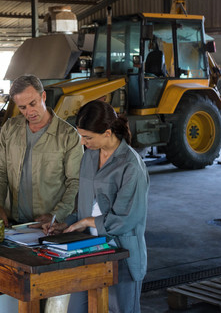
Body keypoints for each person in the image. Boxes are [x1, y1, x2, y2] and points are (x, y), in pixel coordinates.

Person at [44, 99, 149, 313]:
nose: (83, 142)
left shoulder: (131, 166)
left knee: (121, 310)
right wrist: (67, 224)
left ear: (108, 133)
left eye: (88, 137)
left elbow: (126, 219)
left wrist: (86, 222)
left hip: (122, 253)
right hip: (88, 250)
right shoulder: (90, 156)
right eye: (81, 136)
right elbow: (85, 207)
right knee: (76, 310)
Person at [0, 75, 83, 227]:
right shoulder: (10, 128)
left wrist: (57, 214)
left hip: (49, 225)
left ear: (43, 96)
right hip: (13, 223)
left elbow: (75, 182)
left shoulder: (68, 135)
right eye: (22, 107)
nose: (29, 112)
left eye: (33, 103)